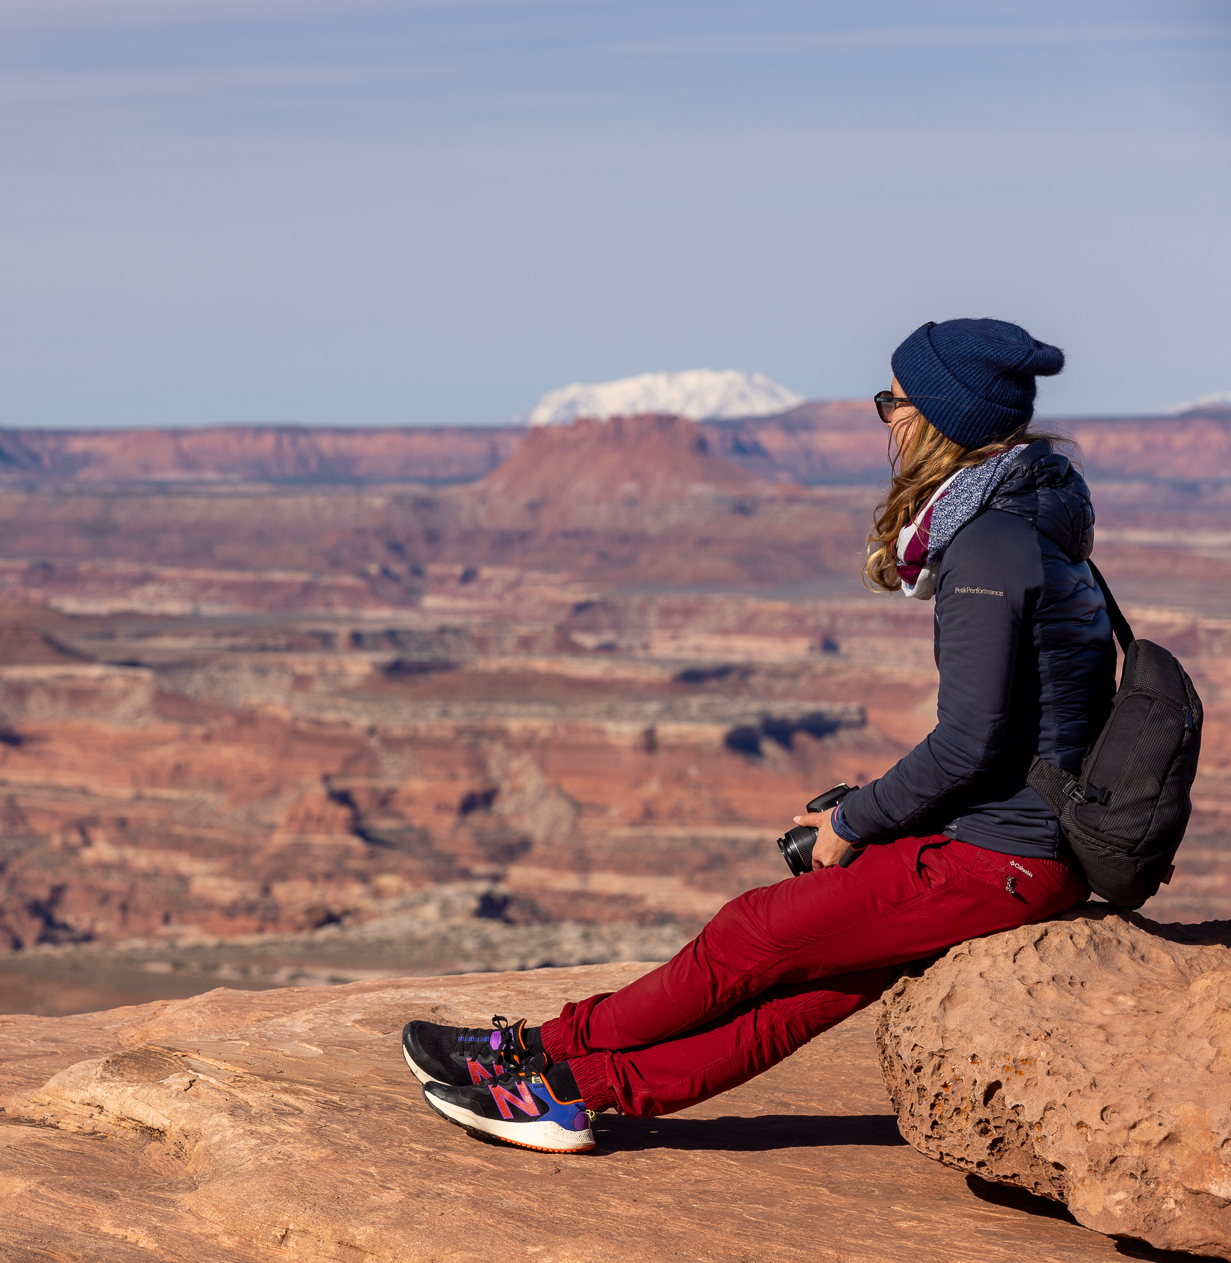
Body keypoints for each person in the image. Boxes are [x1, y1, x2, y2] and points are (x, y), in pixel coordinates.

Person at [403, 317, 1111, 1154]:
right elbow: (1006, 730)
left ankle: (548, 1066)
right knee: (801, 993)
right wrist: (874, 810)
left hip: (1002, 858)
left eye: (893, 401)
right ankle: (571, 1083)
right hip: (1013, 841)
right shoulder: (1029, 513)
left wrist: (852, 822)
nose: (887, 418)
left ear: (937, 418)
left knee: (751, 934)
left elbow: (970, 741)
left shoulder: (989, 544)